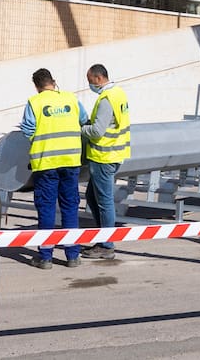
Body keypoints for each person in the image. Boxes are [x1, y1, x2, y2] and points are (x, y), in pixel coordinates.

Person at [21, 68, 85, 270]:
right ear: (53, 81)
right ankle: (73, 255)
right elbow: (83, 120)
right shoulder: (71, 99)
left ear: (37, 86)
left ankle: (46, 257)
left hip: (47, 163)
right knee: (70, 207)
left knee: (46, 208)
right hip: (70, 161)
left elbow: (28, 130)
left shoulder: (35, 102)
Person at [80, 63, 131, 260]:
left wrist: (80, 130)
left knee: (103, 201)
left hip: (104, 156)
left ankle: (106, 245)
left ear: (99, 78)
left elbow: (97, 131)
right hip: (112, 154)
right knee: (92, 198)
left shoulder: (106, 99)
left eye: (90, 81)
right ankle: (102, 238)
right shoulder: (118, 93)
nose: (90, 84)